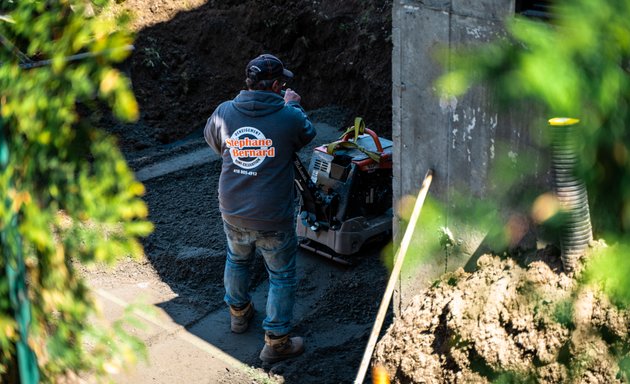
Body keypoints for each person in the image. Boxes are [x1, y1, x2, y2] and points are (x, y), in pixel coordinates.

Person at [204, 53, 316, 363]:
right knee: (280, 276)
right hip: (273, 215)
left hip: (232, 208)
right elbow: (307, 134)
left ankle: (239, 315)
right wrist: (292, 103)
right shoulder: (288, 115)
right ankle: (276, 341)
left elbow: (214, 142)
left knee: (237, 259)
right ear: (279, 85)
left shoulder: (224, 112)